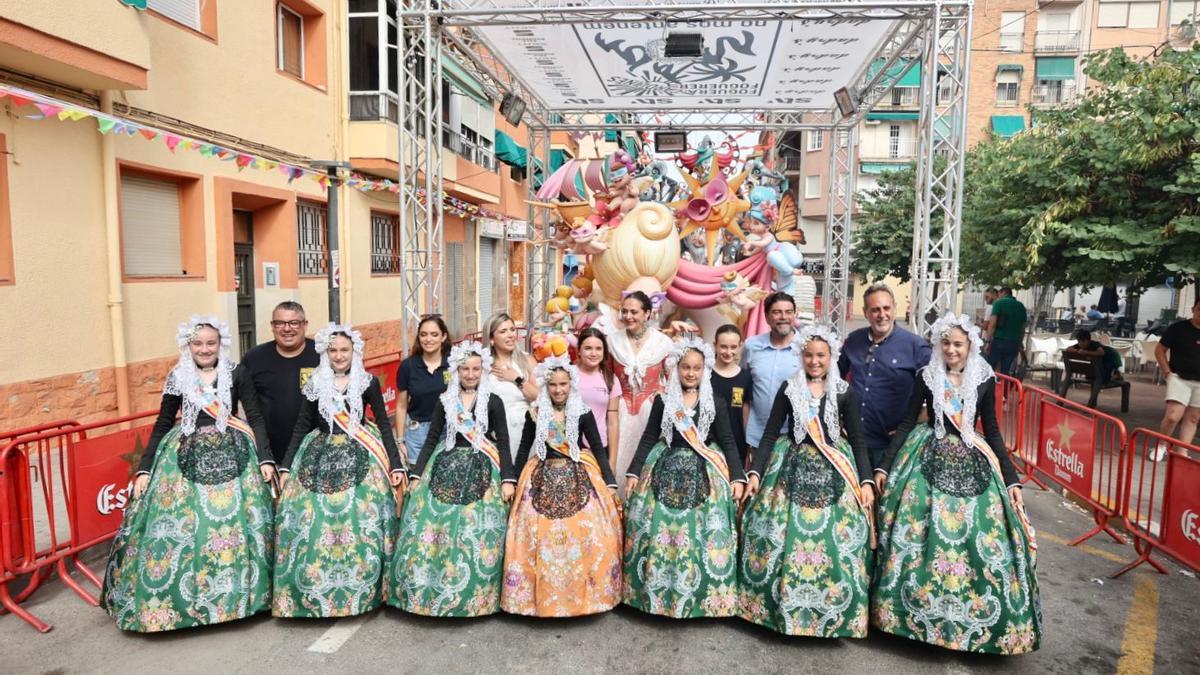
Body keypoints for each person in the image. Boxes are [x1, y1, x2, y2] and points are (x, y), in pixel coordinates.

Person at [872, 314, 1041, 655]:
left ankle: (969, 620)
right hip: (925, 456)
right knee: (918, 532)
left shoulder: (984, 380)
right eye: (946, 343)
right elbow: (906, 422)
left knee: (977, 536)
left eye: (958, 344)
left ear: (970, 347)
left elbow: (992, 429)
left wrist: (1011, 479)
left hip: (971, 457)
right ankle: (914, 617)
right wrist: (885, 465)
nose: (951, 349)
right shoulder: (926, 376)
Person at [102, 316, 274, 632]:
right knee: (189, 527)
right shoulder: (178, 376)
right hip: (183, 455)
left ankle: (237, 598)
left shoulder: (237, 373)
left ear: (220, 344)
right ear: (188, 345)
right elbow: (163, 422)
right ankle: (180, 603)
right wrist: (145, 467)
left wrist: (265, 458)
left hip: (234, 452)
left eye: (211, 343)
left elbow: (256, 417)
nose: (205, 349)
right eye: (198, 343)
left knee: (232, 527)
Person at [739, 324, 875, 638]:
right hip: (791, 466)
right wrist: (756, 472)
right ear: (801, 356)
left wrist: (865, 480)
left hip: (834, 468)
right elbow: (771, 433)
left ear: (831, 357)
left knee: (836, 542)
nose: (815, 361)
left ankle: (832, 610)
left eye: (821, 356)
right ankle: (779, 607)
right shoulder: (789, 388)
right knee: (783, 537)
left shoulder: (844, 391)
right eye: (809, 355)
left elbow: (856, 439)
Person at [273, 324, 407, 618]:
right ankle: (314, 586)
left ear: (354, 352)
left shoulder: (367, 382)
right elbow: (301, 425)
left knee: (362, 520)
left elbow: (384, 424)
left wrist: (395, 464)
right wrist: (286, 465)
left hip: (361, 454)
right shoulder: (315, 383)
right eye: (333, 350)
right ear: (325, 352)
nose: (338, 355)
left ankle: (362, 585)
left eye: (344, 350)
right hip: (319, 456)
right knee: (314, 521)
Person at [388, 341, 515, 617]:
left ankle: (475, 596)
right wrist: (417, 473)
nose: (470, 374)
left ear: (483, 371)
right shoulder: (445, 400)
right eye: (465, 369)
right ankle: (432, 590)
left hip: (482, 465)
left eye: (475, 369)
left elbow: (503, 442)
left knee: (473, 530)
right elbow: (433, 437)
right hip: (444, 463)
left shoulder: (493, 401)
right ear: (456, 370)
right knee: (436, 529)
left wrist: (507, 478)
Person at [623, 338, 746, 618]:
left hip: (704, 472)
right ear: (676, 368)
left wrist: (737, 475)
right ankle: (656, 591)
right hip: (664, 467)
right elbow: (648, 437)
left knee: (699, 534)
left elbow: (727, 440)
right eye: (686, 367)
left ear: (705, 370)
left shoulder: (715, 402)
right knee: (662, 532)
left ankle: (702, 596)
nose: (691, 373)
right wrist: (633, 470)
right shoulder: (663, 400)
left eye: (697, 368)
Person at [502, 356, 623, 617]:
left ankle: (586, 594)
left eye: (563, 384)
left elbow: (598, 449)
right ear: (546, 386)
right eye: (553, 385)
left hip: (579, 472)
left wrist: (610, 480)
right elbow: (524, 448)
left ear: (571, 384)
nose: (558, 390)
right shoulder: (534, 413)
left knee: (588, 534)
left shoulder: (583, 412)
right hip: (542, 473)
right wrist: (510, 479)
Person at [838, 283, 932, 470]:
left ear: (894, 308)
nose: (882, 314)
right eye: (875, 310)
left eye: (886, 308)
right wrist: (838, 419)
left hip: (892, 447)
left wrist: (917, 423)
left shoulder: (916, 347)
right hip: (853, 443)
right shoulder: (853, 340)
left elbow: (941, 393)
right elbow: (833, 381)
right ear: (866, 313)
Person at [607, 291, 675, 490]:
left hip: (651, 412)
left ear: (647, 314)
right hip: (619, 411)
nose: (628, 316)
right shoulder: (612, 341)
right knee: (619, 462)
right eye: (625, 311)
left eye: (634, 312)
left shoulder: (663, 343)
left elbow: (673, 381)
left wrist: (660, 393)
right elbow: (607, 378)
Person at [237, 301, 320, 462]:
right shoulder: (254, 358)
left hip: (314, 449)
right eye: (280, 323)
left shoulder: (322, 355)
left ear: (305, 325)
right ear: (272, 326)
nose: (287, 328)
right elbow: (247, 406)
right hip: (269, 453)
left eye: (294, 323)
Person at [743, 292, 803, 465]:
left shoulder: (807, 348)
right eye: (777, 312)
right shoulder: (751, 346)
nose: (783, 317)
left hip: (793, 439)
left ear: (794, 314)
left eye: (788, 312)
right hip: (755, 437)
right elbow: (742, 389)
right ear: (767, 317)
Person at [396, 315, 451, 464]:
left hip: (447, 431)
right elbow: (401, 406)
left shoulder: (453, 364)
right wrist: (400, 441)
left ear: (443, 336)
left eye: (434, 334)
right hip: (417, 434)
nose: (428, 339)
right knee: (418, 483)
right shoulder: (408, 366)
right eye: (424, 334)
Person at [485, 312, 538, 463]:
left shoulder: (527, 360)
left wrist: (516, 378)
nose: (510, 335)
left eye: (512, 330)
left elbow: (539, 396)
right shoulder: (484, 365)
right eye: (503, 331)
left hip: (525, 431)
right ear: (491, 339)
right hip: (497, 434)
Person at [1154, 298, 1200, 459]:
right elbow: (1160, 350)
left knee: (1193, 418)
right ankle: (1162, 445)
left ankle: (1182, 451)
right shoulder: (1178, 329)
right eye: (1199, 309)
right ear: (1193, 309)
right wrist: (1167, 372)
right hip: (1179, 378)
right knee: (1173, 416)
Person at [575, 327, 622, 471]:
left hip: (600, 448)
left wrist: (612, 462)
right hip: (571, 446)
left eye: (598, 349)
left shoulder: (610, 380)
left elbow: (613, 423)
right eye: (588, 348)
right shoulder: (568, 375)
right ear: (579, 350)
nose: (593, 353)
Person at [710, 324, 753, 468]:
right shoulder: (704, 375)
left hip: (736, 445)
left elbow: (745, 413)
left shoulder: (745, 377)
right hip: (708, 444)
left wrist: (748, 444)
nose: (728, 352)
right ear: (715, 345)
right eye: (723, 347)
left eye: (733, 347)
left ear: (740, 346)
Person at [985, 288, 1028, 376]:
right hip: (1013, 343)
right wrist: (1019, 343)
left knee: (990, 368)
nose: (998, 296)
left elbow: (992, 324)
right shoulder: (1021, 306)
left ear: (1003, 293)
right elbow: (1022, 329)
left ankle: (989, 388)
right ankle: (1004, 389)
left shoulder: (999, 303)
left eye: (999, 294)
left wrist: (987, 341)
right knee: (1006, 371)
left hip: (999, 341)